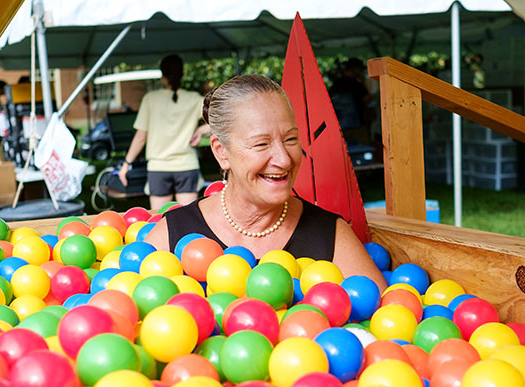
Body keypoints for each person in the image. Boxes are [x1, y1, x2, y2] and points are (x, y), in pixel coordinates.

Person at [143, 74, 386, 289]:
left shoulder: (330, 235)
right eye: (261, 144)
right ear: (221, 152)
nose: (283, 159)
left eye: (291, 139)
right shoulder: (173, 234)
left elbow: (387, 317)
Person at [118, 55, 209, 210]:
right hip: (186, 166)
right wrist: (201, 130)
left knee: (160, 219)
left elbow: (141, 137)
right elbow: (223, 118)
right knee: (189, 219)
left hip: (158, 168)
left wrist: (126, 164)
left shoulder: (150, 99)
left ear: (163, 75)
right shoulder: (194, 99)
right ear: (182, 74)